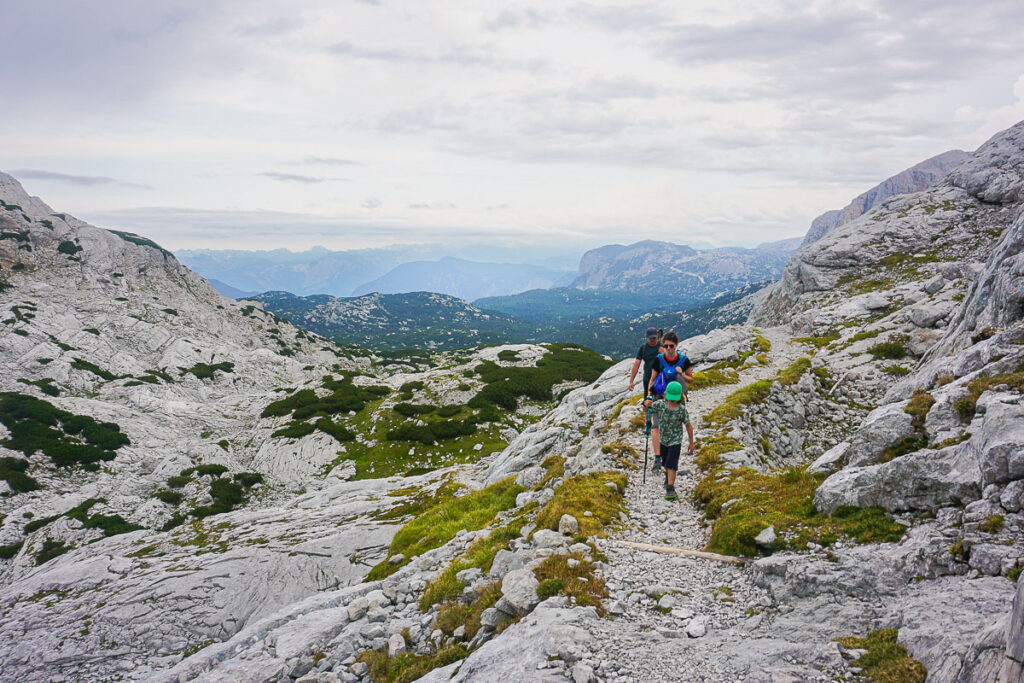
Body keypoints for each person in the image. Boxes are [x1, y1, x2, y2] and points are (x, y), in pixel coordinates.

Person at [645, 331, 693, 470]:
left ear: (676, 345)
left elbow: (691, 379)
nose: (668, 349)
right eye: (665, 346)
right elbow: (652, 380)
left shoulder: (684, 360)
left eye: (671, 346)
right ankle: (658, 458)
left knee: (674, 426)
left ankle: (670, 454)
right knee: (656, 426)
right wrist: (649, 395)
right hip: (659, 396)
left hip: (677, 398)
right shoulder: (658, 359)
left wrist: (682, 374)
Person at [650, 381, 695, 501]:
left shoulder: (681, 410)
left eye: (673, 400)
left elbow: (688, 426)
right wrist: (646, 404)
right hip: (663, 440)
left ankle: (670, 488)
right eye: (670, 399)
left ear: (680, 398)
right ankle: (667, 476)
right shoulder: (660, 404)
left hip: (675, 441)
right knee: (665, 463)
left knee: (672, 464)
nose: (671, 402)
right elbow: (649, 408)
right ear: (665, 395)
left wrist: (691, 442)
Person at [629, 327, 662, 395]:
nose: (653, 339)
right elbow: (636, 365)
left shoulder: (662, 347)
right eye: (651, 338)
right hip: (647, 379)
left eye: (654, 337)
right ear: (647, 337)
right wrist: (631, 381)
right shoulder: (643, 348)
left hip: (661, 378)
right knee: (647, 400)